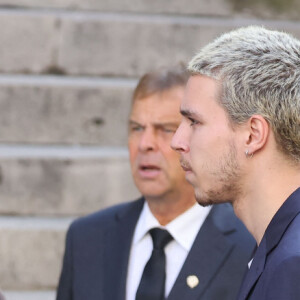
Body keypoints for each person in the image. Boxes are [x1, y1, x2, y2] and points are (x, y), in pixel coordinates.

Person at [56, 65, 255, 300]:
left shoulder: (249, 242)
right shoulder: (87, 238)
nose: (145, 144)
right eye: (137, 128)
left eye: (165, 129)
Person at [171, 26, 300, 300]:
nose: (177, 141)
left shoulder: (293, 264)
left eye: (194, 122)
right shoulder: (279, 247)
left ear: (253, 135)